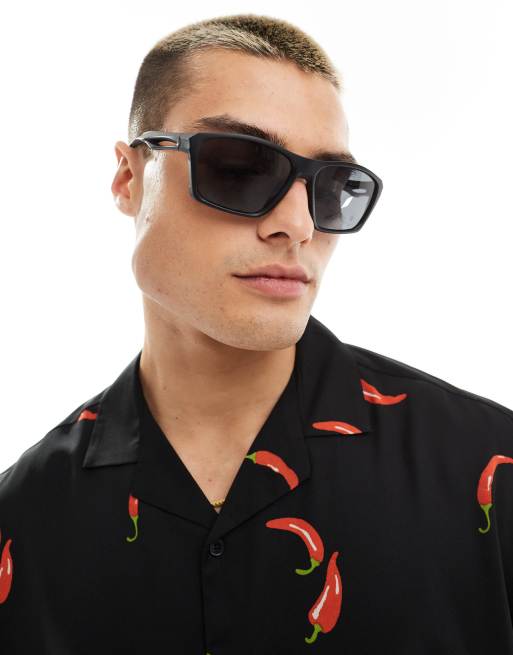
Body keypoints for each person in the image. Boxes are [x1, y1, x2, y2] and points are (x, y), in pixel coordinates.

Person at [1, 12, 512, 655]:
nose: (298, 225)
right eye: (238, 166)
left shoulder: (490, 466)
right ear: (129, 178)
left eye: (332, 187)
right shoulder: (23, 519)